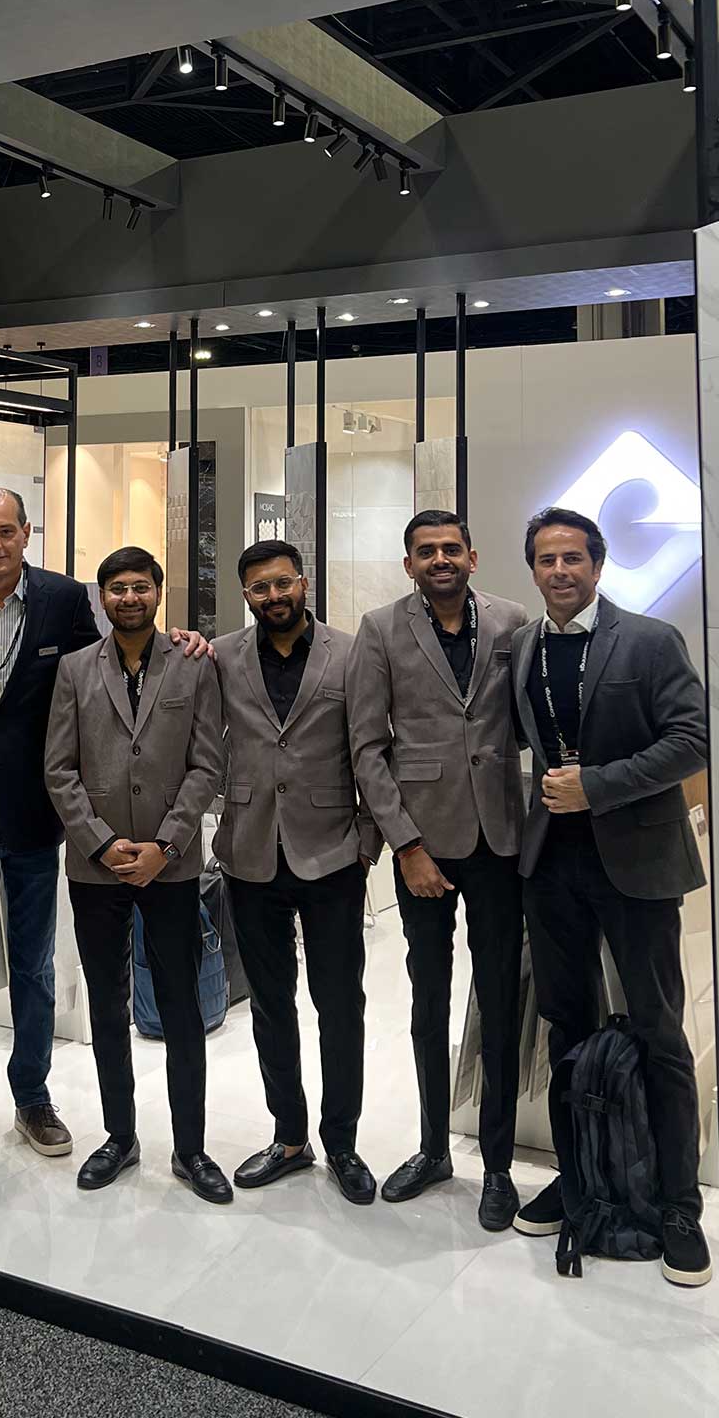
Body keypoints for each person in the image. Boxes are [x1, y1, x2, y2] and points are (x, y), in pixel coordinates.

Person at [0, 488, 210, 1169]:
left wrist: (183, 639)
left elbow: (110, 671)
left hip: (36, 818)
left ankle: (33, 1097)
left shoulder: (61, 599)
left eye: (6, 531)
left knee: (35, 966)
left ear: (27, 533)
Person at [511, 505, 712, 1288]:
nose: (560, 570)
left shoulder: (651, 641)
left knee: (659, 1033)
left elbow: (692, 740)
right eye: (546, 559)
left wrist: (596, 786)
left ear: (598, 566)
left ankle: (678, 1204)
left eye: (573, 558)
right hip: (551, 868)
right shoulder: (524, 648)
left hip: (638, 865)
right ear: (532, 568)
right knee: (566, 1028)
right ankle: (582, 1179)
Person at [346, 510, 527, 1231]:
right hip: (425, 842)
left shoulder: (512, 621)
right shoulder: (380, 629)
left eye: (452, 548)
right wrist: (407, 845)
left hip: (501, 838)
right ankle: (432, 1149)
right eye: (427, 551)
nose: (441, 559)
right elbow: (367, 748)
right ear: (409, 564)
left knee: (500, 1000)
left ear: (472, 558)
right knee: (427, 1000)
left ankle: (499, 1164)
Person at [45, 545, 232, 1204]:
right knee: (107, 1003)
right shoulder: (74, 669)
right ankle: (119, 1137)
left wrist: (166, 846)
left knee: (181, 1006)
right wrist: (100, 844)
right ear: (102, 598)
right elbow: (58, 769)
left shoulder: (192, 664)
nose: (129, 598)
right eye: (117, 588)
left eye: (140, 587)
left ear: (158, 592)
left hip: (171, 866)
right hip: (96, 867)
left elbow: (208, 765)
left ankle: (191, 1148)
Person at [212, 539, 378, 1205]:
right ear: (246, 595)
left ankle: (342, 1141)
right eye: (260, 588)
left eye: (283, 583)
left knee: (339, 1003)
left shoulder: (351, 653)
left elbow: (372, 747)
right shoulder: (222, 656)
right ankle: (288, 1137)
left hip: (333, 852)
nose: (274, 596)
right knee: (269, 1003)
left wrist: (368, 839)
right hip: (250, 851)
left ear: (303, 583)